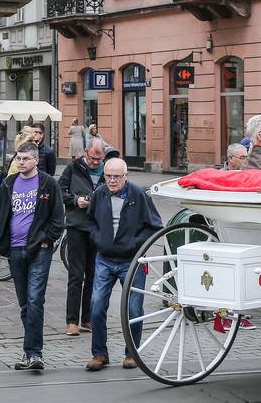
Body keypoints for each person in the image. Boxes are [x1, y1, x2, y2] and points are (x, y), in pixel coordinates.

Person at [85, 158, 163, 371]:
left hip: (132, 261)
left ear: (126, 176)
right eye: (108, 176)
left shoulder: (138, 195)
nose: (111, 180)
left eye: (116, 177)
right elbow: (90, 221)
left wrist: (134, 243)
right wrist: (99, 239)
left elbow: (155, 226)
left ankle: (132, 353)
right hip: (104, 259)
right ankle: (100, 353)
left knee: (134, 309)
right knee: (97, 305)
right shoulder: (100, 194)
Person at [0, 142, 64, 371]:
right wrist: (0, 238)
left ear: (36, 161)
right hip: (14, 249)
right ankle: (29, 352)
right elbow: (1, 212)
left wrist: (48, 239)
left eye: (25, 159)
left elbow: (58, 216)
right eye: (18, 159)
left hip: (39, 249)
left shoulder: (48, 184)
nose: (20, 162)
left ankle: (34, 353)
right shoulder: (8, 184)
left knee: (34, 300)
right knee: (25, 303)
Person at [58, 137, 107, 336]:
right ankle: (71, 321)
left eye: (100, 159)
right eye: (94, 159)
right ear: (86, 153)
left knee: (93, 276)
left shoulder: (107, 170)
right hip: (77, 227)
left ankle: (87, 319)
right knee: (76, 275)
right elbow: (59, 191)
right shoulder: (73, 168)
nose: (97, 163)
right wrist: (75, 200)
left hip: (98, 229)